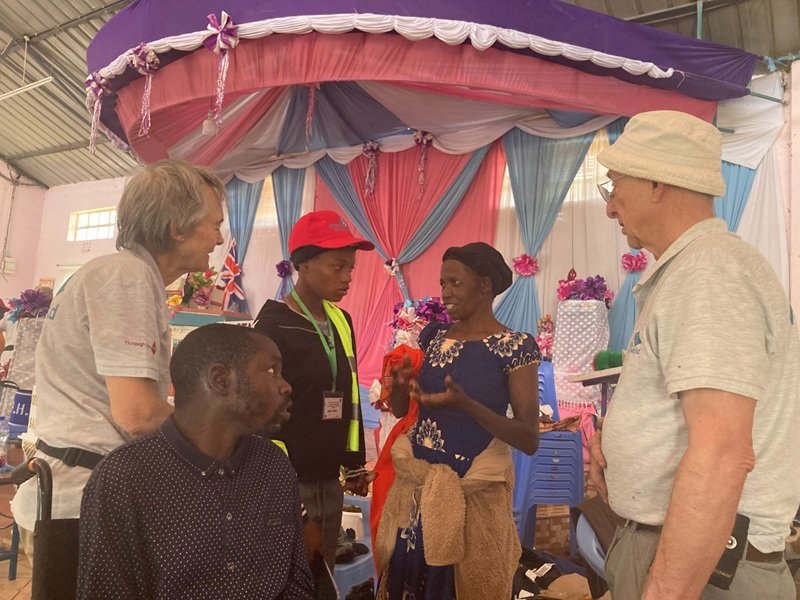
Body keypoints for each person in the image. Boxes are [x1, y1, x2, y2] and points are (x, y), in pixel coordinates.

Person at [590, 110, 800, 600]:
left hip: (705, 567)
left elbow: (722, 452)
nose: (611, 207)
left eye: (615, 185)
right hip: (693, 556)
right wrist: (623, 444)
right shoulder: (695, 269)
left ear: (657, 183)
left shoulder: (709, 273)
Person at [11, 159, 226, 555]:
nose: (219, 238)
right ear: (177, 228)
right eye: (215, 225)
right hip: (82, 506)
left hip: (81, 497)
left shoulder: (120, 273)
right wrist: (222, 440)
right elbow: (138, 414)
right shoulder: (127, 276)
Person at [78, 323, 313, 599]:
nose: (286, 386)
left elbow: (297, 580)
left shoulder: (273, 465)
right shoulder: (125, 477)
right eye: (272, 370)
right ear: (221, 380)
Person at [375, 242, 541, 600]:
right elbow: (402, 411)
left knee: (460, 586)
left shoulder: (515, 347)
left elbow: (528, 438)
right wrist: (401, 386)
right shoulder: (434, 338)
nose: (445, 292)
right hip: (418, 497)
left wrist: (468, 405)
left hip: (470, 501)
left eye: (455, 282)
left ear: (485, 285)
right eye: (442, 283)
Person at [253, 210, 374, 571]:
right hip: (288, 483)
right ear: (303, 265)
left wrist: (354, 462)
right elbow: (260, 412)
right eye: (338, 267)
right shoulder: (272, 326)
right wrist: (276, 481)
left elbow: (350, 398)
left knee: (323, 575)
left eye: (350, 268)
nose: (347, 277)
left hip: (329, 480)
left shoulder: (341, 320)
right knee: (286, 576)